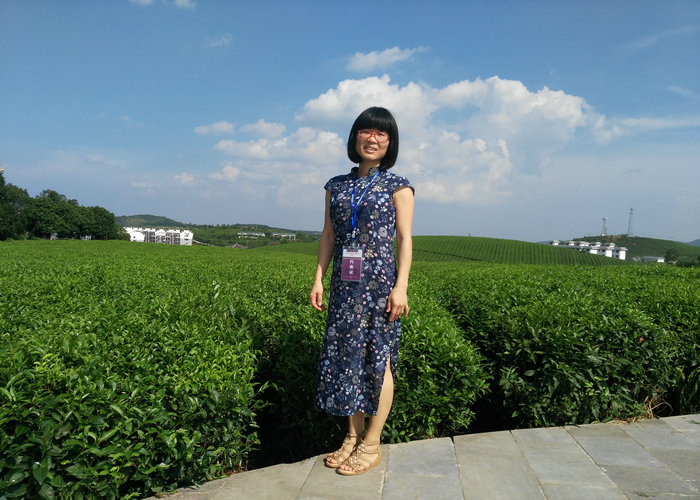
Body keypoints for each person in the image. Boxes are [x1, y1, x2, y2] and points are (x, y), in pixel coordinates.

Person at [309, 106, 414, 476]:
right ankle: (352, 437)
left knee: (378, 360)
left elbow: (404, 239)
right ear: (355, 137)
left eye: (381, 133)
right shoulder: (336, 186)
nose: (372, 138)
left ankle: (371, 443)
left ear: (390, 142)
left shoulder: (398, 186)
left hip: (380, 288)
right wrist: (319, 278)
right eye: (366, 131)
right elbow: (328, 235)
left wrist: (401, 287)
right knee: (347, 360)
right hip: (345, 287)